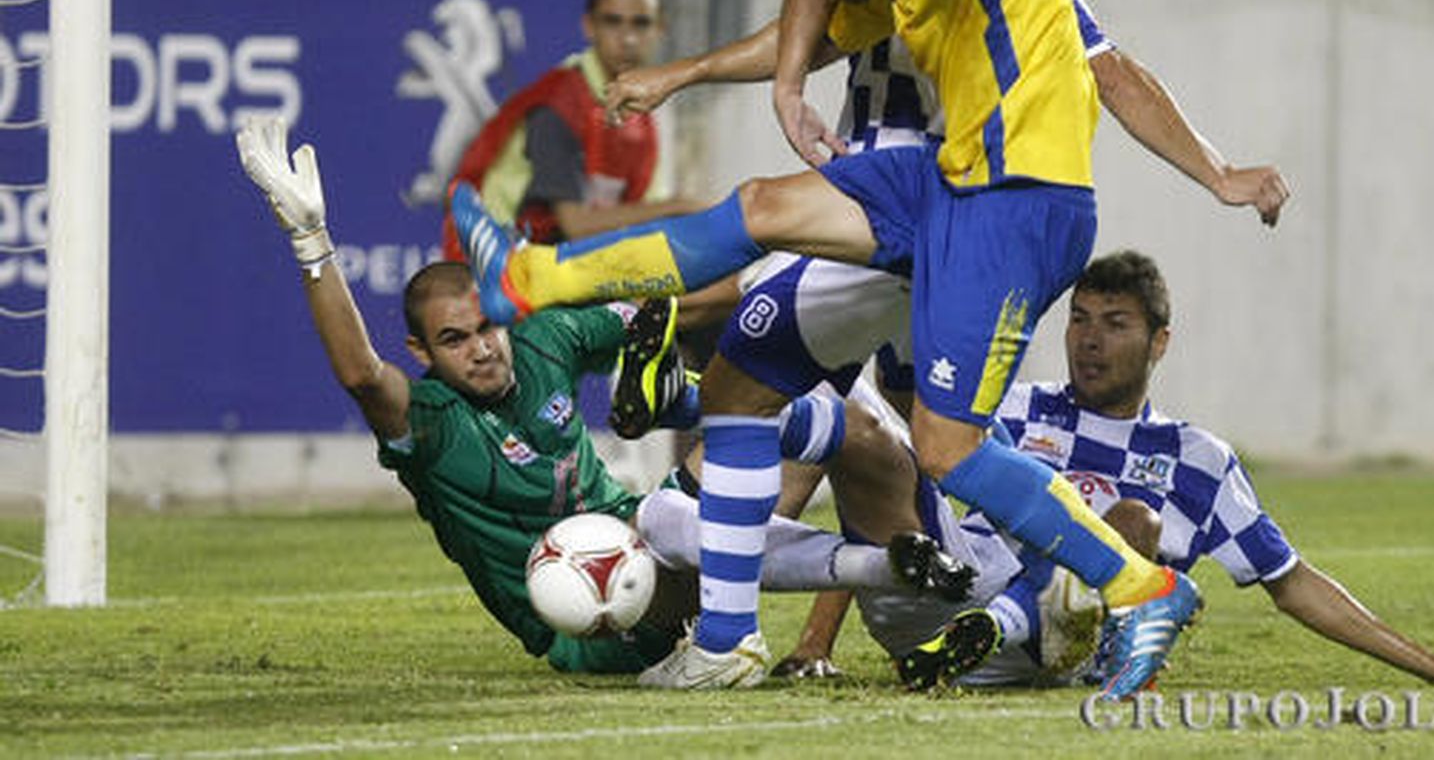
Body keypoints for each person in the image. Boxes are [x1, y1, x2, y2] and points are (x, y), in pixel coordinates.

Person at [451, 0, 1290, 698]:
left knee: (947, 447)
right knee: (761, 211)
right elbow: (806, 28)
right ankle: (531, 279)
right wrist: (703, 76)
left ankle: (1138, 586)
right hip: (947, 178)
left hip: (1018, 206)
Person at [233, 116, 972, 675]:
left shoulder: (542, 339)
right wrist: (312, 243)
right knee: (682, 520)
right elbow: (362, 374)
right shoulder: (429, 423)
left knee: (828, 420)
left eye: (488, 326)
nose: (484, 347)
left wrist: (788, 267)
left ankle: (863, 593)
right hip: (582, 619)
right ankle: (783, 590)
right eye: (454, 341)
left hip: (646, 529)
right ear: (422, 354)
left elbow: (671, 301)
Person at [797, 251, 1434, 691]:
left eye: (1115, 322)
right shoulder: (1010, 408)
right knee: (866, 430)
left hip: (1058, 650)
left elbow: (1292, 582)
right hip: (944, 599)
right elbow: (892, 503)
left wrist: (1433, 665)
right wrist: (815, 645)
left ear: (1160, 341)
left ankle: (1009, 624)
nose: (1089, 339)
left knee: (1129, 524)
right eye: (1079, 319)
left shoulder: (1196, 459)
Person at [442, 0, 700, 260]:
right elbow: (577, 225)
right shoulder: (559, 104)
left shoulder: (649, 113)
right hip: (498, 271)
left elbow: (643, 214)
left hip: (568, 264)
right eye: (613, 22)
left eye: (640, 23)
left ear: (660, 29)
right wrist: (678, 206)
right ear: (589, 26)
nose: (628, 39)